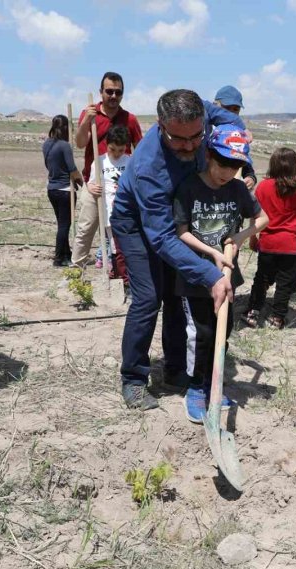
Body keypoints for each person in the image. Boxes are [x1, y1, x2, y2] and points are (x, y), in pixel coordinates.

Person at [110, 89, 244, 409]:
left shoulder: (201, 118)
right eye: (178, 140)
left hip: (176, 220)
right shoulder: (149, 167)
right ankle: (134, 379)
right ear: (160, 125)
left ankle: (174, 369)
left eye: (196, 137)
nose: (189, 146)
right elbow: (162, 239)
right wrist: (211, 276)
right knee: (149, 296)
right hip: (138, 227)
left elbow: (226, 116)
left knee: (175, 293)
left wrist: (239, 132)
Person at [172, 125, 268, 423]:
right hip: (195, 274)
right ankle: (196, 389)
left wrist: (241, 237)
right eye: (223, 163)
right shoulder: (189, 187)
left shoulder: (238, 189)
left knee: (223, 333)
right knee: (201, 334)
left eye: (236, 166)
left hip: (227, 274)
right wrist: (212, 252)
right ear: (209, 155)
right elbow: (181, 232)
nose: (228, 172)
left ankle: (214, 384)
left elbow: (263, 218)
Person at [244, 148, 296, 329]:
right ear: (293, 165)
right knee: (284, 283)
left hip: (268, 242)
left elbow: (254, 213)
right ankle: (277, 318)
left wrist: (252, 237)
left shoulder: (263, 186)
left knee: (262, 279)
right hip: (289, 245)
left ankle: (253, 312)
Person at [73, 72, 143, 268]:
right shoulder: (90, 114)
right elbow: (80, 143)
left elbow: (140, 152)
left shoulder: (129, 119)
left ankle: (124, 273)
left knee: (123, 231)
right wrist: (87, 120)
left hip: (122, 188)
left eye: (118, 92)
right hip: (94, 184)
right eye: (109, 91)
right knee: (85, 229)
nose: (113, 96)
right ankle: (76, 273)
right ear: (101, 92)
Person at [73, 125, 131, 286]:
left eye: (121, 150)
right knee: (113, 248)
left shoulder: (130, 161)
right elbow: (91, 183)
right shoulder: (99, 162)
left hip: (126, 214)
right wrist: (92, 187)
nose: (117, 154)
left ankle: (123, 279)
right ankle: (118, 278)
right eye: (113, 150)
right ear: (107, 144)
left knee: (122, 248)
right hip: (108, 211)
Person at [42, 115, 83, 267]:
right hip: (65, 190)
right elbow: (72, 169)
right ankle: (59, 258)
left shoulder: (46, 144)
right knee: (64, 225)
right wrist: (82, 182)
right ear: (66, 128)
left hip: (52, 189)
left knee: (61, 224)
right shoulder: (64, 146)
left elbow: (49, 165)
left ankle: (66, 253)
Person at [212, 85, 257, 190]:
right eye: (227, 108)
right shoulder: (206, 129)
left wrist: (250, 177)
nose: (231, 113)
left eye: (235, 109)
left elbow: (243, 160)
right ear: (214, 105)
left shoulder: (238, 134)